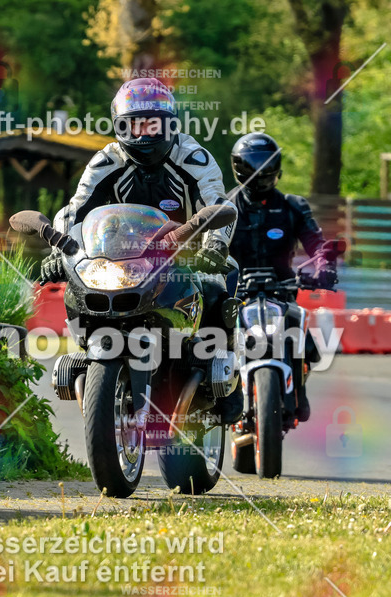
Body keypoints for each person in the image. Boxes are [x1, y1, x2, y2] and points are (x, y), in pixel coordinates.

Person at [45, 78, 243, 422]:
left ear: (170, 124)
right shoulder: (106, 160)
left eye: (152, 124)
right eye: (134, 125)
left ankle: (223, 381)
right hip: (121, 260)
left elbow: (218, 202)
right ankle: (87, 356)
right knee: (78, 291)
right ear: (119, 126)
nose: (144, 135)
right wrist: (60, 251)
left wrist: (215, 247)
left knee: (217, 289)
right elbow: (74, 210)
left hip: (186, 257)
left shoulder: (194, 156)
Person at [228, 132, 338, 422]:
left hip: (282, 291)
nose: (260, 172)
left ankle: (297, 389)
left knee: (311, 348)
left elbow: (317, 242)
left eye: (266, 165)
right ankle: (220, 398)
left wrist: (325, 265)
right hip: (235, 293)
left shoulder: (293, 207)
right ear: (239, 168)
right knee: (208, 344)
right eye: (253, 165)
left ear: (277, 169)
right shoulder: (225, 207)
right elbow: (208, 247)